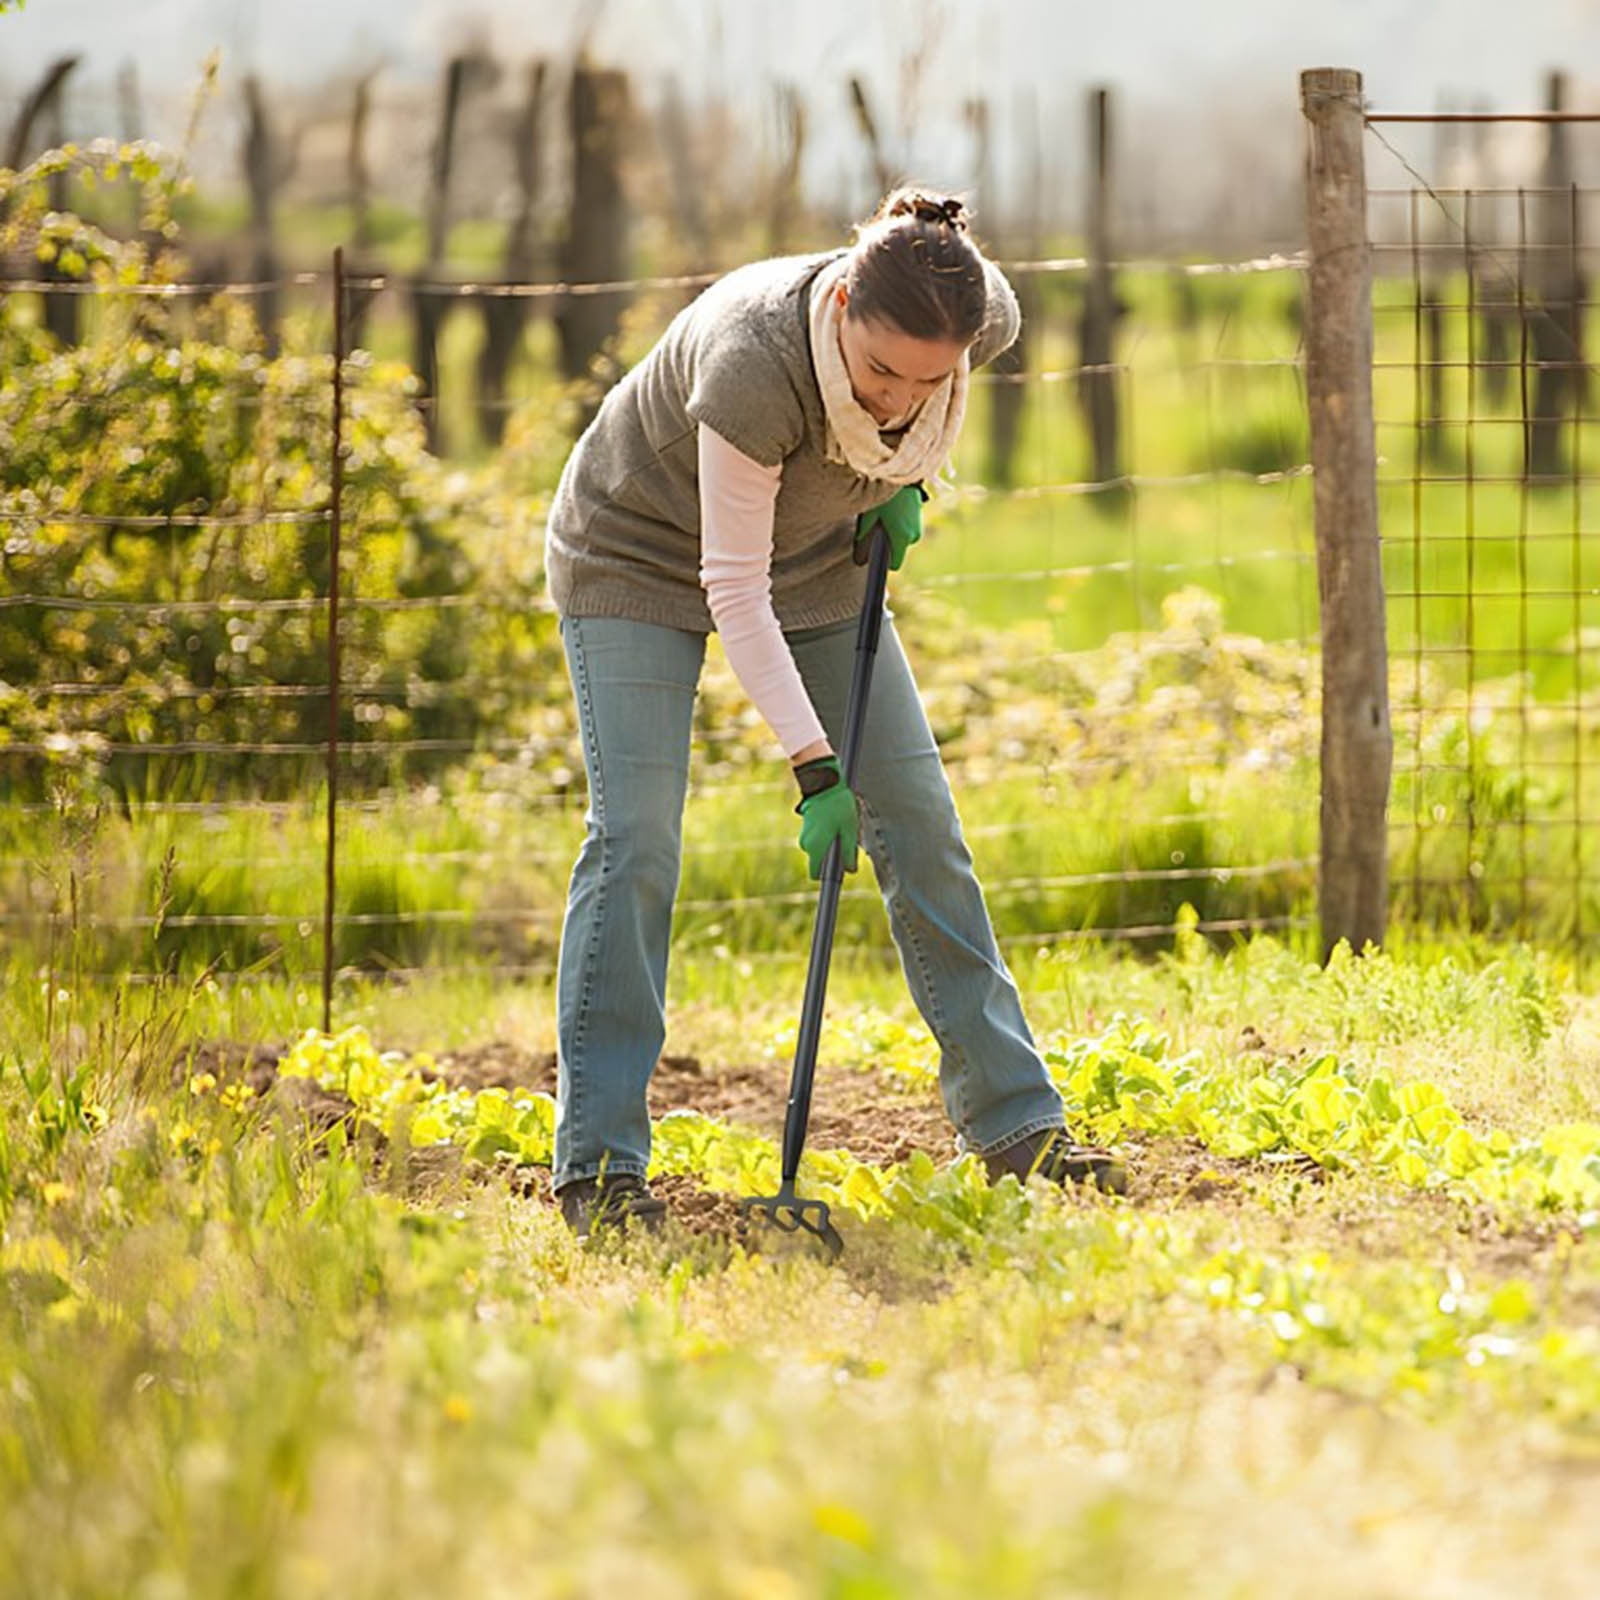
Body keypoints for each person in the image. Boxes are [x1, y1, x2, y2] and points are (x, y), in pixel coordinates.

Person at [544, 187, 1126, 1237]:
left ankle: (1016, 1128)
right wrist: (815, 768)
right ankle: (598, 1167)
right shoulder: (752, 362)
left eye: (927, 382)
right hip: (634, 555)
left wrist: (905, 480)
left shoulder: (977, 311)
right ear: (844, 302)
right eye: (879, 374)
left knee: (922, 825)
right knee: (636, 841)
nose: (901, 401)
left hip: (813, 565)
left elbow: (902, 431)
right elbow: (731, 587)